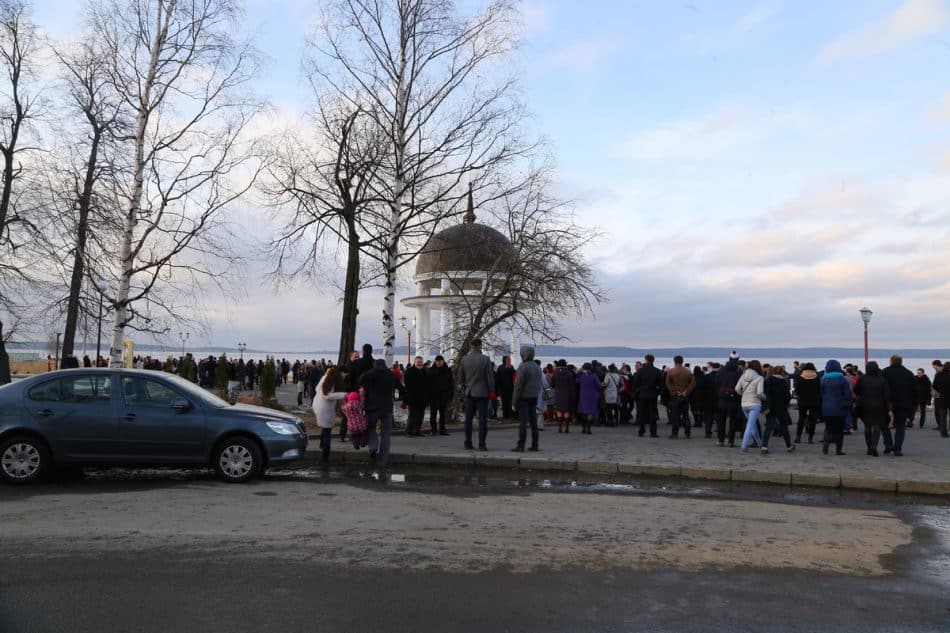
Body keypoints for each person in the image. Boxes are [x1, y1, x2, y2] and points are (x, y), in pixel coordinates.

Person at [359, 359, 405, 467]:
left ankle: (373, 447)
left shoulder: (370, 374)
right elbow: (402, 389)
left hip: (372, 408)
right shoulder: (391, 375)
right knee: (386, 435)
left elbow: (360, 380)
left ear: (374, 365)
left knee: (370, 428)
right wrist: (405, 401)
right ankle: (382, 461)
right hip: (387, 409)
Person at [458, 338, 495, 450]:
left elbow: (461, 378)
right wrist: (492, 392)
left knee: (468, 419)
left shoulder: (465, 359)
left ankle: (467, 443)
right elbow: (490, 378)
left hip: (469, 393)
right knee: (482, 420)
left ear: (471, 346)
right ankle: (482, 444)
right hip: (482, 393)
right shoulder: (485, 359)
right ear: (480, 346)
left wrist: (465, 388)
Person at [854, 361, 890, 456]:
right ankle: (874, 445)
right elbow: (886, 394)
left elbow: (856, 390)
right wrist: (889, 408)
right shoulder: (882, 379)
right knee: (877, 427)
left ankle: (869, 448)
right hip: (879, 406)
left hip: (865, 405)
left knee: (867, 427)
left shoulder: (862, 378)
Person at [881, 354, 915, 456]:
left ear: (891, 361)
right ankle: (897, 448)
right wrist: (913, 404)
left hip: (886, 403)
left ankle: (888, 445)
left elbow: (880, 387)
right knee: (900, 426)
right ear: (901, 362)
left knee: (884, 425)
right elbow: (915, 389)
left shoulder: (884, 372)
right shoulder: (908, 373)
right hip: (903, 403)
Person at [511, 344, 542, 452]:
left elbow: (518, 386)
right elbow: (539, 384)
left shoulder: (523, 367)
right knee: (533, 422)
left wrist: (514, 402)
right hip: (534, 397)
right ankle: (535, 444)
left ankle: (521, 445)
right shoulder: (537, 367)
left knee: (523, 423)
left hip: (524, 398)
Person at [312, 367, 346, 463]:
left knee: (325, 429)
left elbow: (316, 388)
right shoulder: (330, 381)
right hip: (325, 409)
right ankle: (325, 455)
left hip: (319, 406)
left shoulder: (325, 378)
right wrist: (344, 395)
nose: (343, 376)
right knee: (327, 430)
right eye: (342, 374)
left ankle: (323, 447)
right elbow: (328, 396)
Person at [820, 359, 852, 456]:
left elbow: (821, 394)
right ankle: (838, 450)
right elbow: (847, 395)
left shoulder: (823, 379)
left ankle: (826, 443)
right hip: (839, 408)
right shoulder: (842, 379)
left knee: (828, 427)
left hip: (826, 408)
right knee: (839, 429)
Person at [344, 345, 374, 443]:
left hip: (358, 392)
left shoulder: (358, 364)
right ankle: (345, 434)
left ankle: (359, 436)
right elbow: (348, 380)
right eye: (355, 357)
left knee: (359, 415)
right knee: (349, 415)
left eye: (358, 356)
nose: (357, 358)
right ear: (351, 357)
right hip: (351, 393)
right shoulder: (348, 366)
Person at [762, 365, 794, 454]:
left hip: (771, 406)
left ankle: (764, 446)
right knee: (784, 427)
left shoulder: (768, 380)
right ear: (782, 372)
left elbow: (766, 394)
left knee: (769, 427)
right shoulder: (784, 382)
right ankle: (788, 446)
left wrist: (766, 406)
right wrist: (785, 404)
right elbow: (788, 396)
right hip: (781, 407)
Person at [735, 360, 765, 452]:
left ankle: (760, 444)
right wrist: (764, 398)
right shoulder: (759, 378)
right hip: (755, 403)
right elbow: (760, 393)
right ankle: (744, 446)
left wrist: (743, 394)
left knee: (753, 425)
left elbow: (736, 389)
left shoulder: (743, 376)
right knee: (750, 425)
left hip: (744, 404)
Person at [714, 355, 742, 447]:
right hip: (734, 399)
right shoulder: (739, 372)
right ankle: (731, 441)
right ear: (737, 360)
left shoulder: (721, 371)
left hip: (722, 399)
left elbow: (716, 384)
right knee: (732, 421)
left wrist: (719, 395)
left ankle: (721, 440)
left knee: (721, 421)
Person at [665, 355, 695, 439]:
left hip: (675, 395)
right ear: (682, 361)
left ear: (674, 361)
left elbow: (668, 383)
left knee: (675, 415)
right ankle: (687, 433)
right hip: (685, 395)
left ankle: (675, 433)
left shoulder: (671, 371)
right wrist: (686, 391)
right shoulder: (688, 371)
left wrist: (675, 391)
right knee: (685, 414)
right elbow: (692, 383)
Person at [633, 354, 663, 438]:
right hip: (652, 394)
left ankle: (641, 431)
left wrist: (637, 392)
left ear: (646, 360)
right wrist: (657, 393)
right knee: (652, 414)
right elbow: (661, 385)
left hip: (642, 394)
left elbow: (636, 383)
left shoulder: (641, 371)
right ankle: (653, 432)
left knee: (641, 413)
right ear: (653, 360)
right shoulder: (657, 371)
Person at [794, 362, 821, 444]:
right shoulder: (817, 377)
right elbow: (820, 389)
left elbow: (797, 388)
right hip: (814, 400)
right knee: (813, 420)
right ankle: (810, 438)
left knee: (801, 419)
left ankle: (798, 438)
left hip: (803, 400)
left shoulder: (800, 377)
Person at [403, 356, 430, 437]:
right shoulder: (409, 371)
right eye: (418, 362)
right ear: (414, 362)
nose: (419, 363)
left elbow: (427, 385)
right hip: (412, 397)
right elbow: (407, 385)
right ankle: (409, 431)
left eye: (421, 362)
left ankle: (417, 430)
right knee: (412, 415)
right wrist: (407, 398)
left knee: (420, 415)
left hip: (423, 398)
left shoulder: (424, 371)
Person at [427, 355, 453, 436]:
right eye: (437, 361)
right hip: (433, 396)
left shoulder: (448, 370)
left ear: (443, 361)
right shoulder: (431, 370)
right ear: (435, 361)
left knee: (443, 414)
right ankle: (433, 429)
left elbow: (451, 384)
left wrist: (450, 395)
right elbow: (427, 385)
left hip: (444, 395)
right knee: (433, 414)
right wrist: (428, 396)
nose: (439, 362)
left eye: (440, 361)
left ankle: (442, 429)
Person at [576, 363, 601, 435]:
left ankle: (583, 428)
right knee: (590, 413)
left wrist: (579, 372)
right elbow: (598, 385)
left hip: (583, 395)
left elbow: (577, 381)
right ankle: (589, 429)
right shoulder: (594, 376)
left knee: (583, 412)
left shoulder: (581, 375)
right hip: (592, 395)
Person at [552, 359, 575, 433]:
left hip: (558, 393)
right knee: (566, 411)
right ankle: (566, 428)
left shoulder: (555, 372)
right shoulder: (568, 372)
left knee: (559, 410)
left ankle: (559, 427)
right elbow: (571, 384)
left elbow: (552, 384)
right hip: (567, 393)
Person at [933, 361, 950, 438]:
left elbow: (934, 385)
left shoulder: (939, 375)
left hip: (942, 397)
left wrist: (940, 390)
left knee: (943, 416)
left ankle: (943, 433)